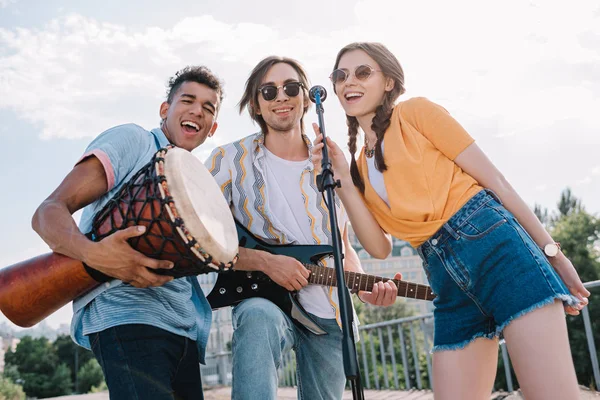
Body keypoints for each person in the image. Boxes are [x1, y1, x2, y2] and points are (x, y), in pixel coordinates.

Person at [311, 42, 591, 400]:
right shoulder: (359, 167)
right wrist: (346, 183)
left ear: (389, 83)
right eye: (341, 75)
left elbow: (496, 181)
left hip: (497, 250)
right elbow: (379, 248)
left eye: (363, 72)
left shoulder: (416, 113)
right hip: (445, 279)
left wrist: (553, 253)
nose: (349, 81)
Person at [206, 55, 400, 400]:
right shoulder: (228, 162)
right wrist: (266, 262)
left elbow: (342, 244)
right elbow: (199, 236)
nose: (281, 97)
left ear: (307, 97)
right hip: (263, 299)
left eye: (291, 87)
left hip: (331, 315)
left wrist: (363, 287)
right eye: (269, 91)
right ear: (256, 103)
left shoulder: (332, 164)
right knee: (257, 316)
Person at [31, 66, 224, 400]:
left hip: (183, 327)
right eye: (188, 101)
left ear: (212, 129)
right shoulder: (133, 140)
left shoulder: (196, 182)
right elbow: (47, 212)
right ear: (165, 110)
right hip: (126, 314)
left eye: (208, 108)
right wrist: (93, 254)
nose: (197, 111)